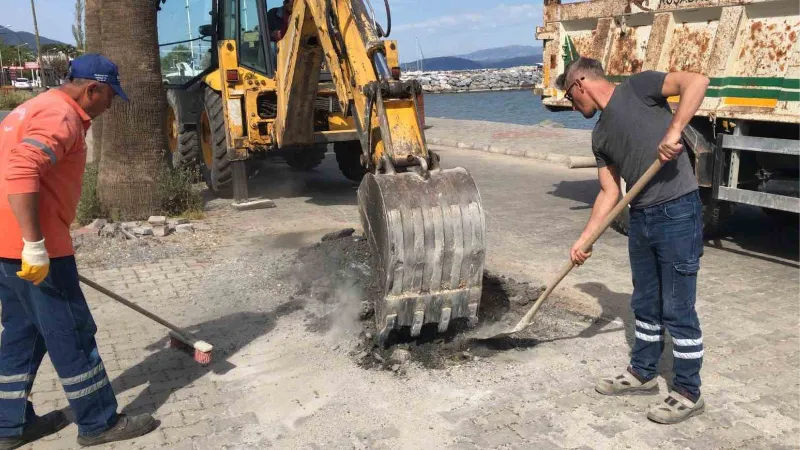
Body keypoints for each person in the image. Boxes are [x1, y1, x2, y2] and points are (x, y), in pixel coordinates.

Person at [0, 54, 157, 448]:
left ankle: (8, 425)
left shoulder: (29, 108)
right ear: (92, 89)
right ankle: (99, 422)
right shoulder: (61, 116)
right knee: (71, 333)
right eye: (110, 97)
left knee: (23, 333)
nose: (109, 106)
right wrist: (35, 245)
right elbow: (21, 169)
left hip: (5, 246)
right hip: (35, 249)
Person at [557, 57, 709, 424]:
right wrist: (586, 238)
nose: (572, 106)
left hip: (677, 210)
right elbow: (609, 193)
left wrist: (675, 131)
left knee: (677, 306)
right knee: (644, 302)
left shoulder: (639, 88)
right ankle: (642, 372)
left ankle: (688, 391)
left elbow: (697, 81)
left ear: (580, 83)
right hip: (640, 218)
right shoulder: (600, 135)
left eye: (569, 96)